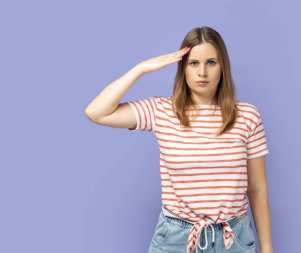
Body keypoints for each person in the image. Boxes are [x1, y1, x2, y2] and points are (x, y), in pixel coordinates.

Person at [85, 26, 274, 253]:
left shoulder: (247, 116)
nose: (202, 72)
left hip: (232, 240)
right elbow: (96, 112)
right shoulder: (161, 111)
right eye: (194, 63)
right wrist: (141, 69)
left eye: (211, 62)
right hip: (175, 239)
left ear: (223, 66)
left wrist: (267, 249)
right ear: (182, 67)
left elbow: (257, 188)